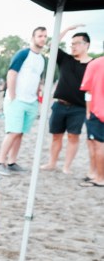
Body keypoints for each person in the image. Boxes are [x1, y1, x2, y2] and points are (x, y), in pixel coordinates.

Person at [40, 25, 92, 174]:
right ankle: (52, 163)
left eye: (77, 43)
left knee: (73, 137)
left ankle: (67, 166)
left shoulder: (93, 64)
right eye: (72, 43)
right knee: (56, 136)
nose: (73, 46)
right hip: (60, 105)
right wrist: (67, 29)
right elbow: (52, 45)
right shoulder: (65, 59)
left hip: (79, 108)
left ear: (86, 45)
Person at [0, 26, 47, 176]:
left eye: (45, 36)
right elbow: (12, 73)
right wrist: (12, 95)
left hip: (31, 101)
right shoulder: (24, 54)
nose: (43, 39)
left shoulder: (41, 59)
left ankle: (12, 162)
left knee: (20, 133)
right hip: (17, 99)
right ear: (33, 38)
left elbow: (38, 79)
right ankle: (0, 162)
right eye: (40, 36)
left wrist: (38, 96)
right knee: (13, 132)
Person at [79, 56, 104, 187]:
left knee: (97, 145)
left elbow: (88, 91)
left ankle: (100, 177)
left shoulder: (95, 64)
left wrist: (88, 111)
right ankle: (94, 173)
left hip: (98, 110)